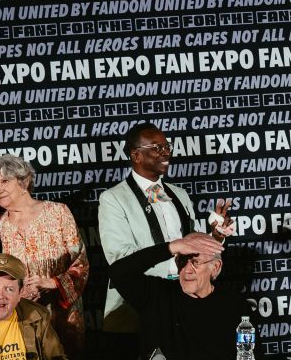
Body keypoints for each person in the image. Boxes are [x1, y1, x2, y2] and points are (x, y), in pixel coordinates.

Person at [97, 122, 230, 334]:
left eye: (167, 146)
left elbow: (190, 246)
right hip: (138, 303)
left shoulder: (179, 194)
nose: (166, 152)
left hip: (182, 298)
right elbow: (120, 258)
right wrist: (174, 256)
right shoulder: (114, 199)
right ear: (136, 155)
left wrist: (213, 237)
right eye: (157, 148)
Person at [0, 153, 87, 358]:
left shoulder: (58, 212)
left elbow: (81, 263)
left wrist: (52, 283)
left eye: (4, 181)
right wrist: (16, 295)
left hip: (63, 320)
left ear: (24, 181)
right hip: (19, 322)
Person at [107, 231, 248, 360]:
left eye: (195, 262)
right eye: (182, 261)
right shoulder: (157, 295)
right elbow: (118, 273)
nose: (187, 270)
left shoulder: (235, 307)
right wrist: (171, 247)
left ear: (215, 267)